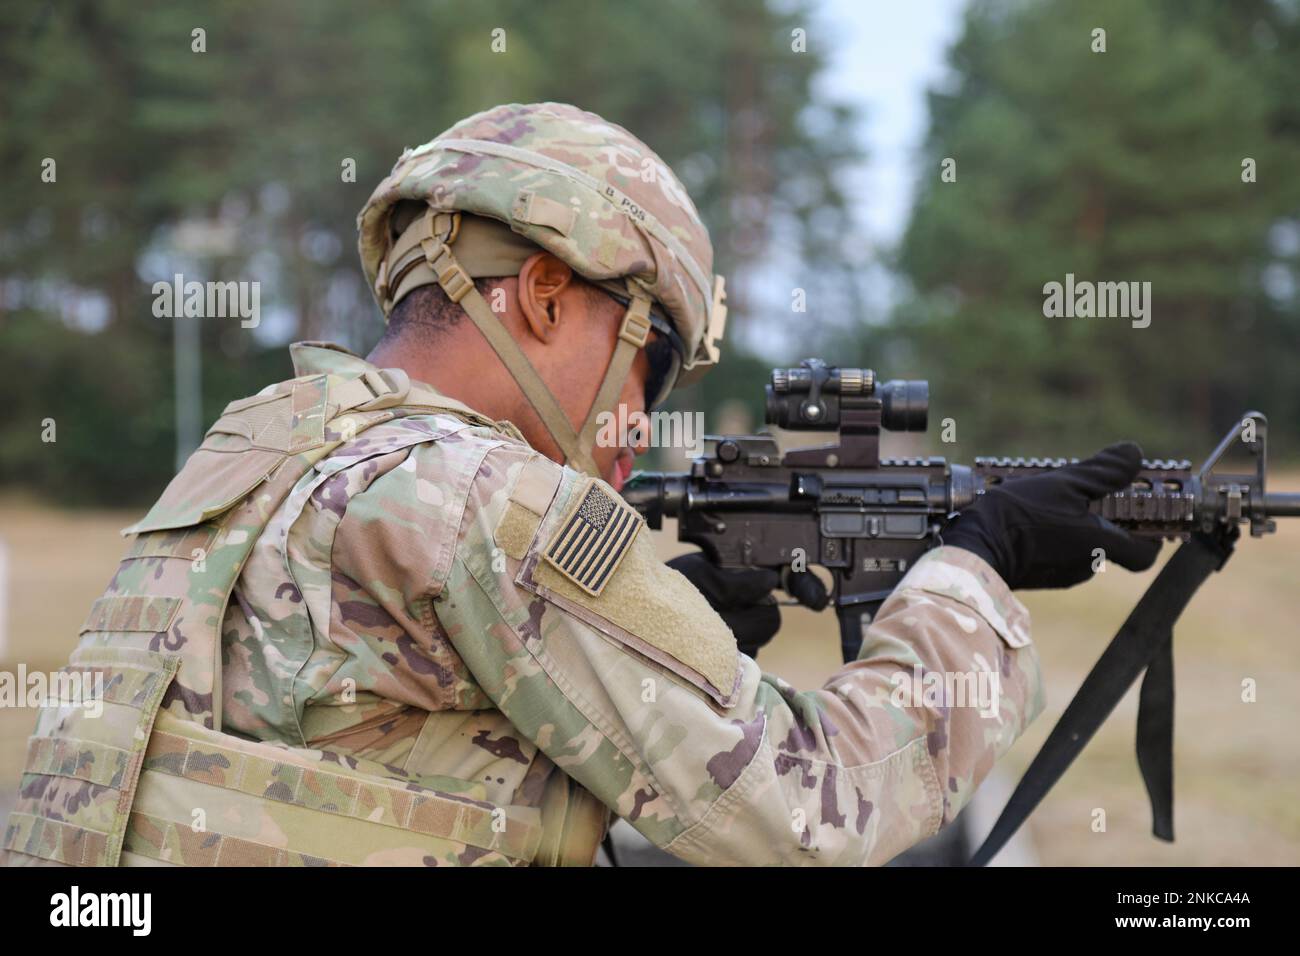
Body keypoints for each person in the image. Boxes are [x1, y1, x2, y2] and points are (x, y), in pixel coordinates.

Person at [0, 102, 1157, 868]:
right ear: (545, 295)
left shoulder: (255, 446)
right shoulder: (485, 500)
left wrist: (663, 622)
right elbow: (808, 809)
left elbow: (361, 736)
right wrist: (972, 568)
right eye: (648, 356)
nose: (641, 416)